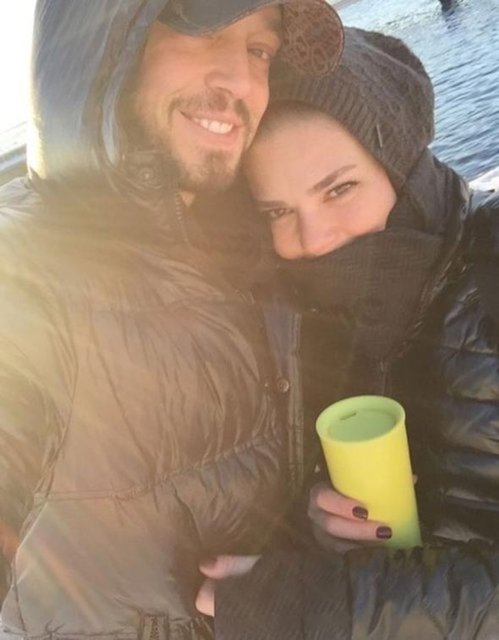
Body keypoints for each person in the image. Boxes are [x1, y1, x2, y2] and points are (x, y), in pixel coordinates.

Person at [0, 1, 344, 638]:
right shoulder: (23, 273)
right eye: (201, 29)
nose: (242, 81)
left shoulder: (251, 235)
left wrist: (314, 515)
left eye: (260, 51)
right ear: (101, 47)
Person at [195, 27, 499, 638]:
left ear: (402, 167)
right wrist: (325, 522)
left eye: (339, 189)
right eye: (278, 211)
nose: (313, 241)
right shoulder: (305, 327)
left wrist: (327, 605)